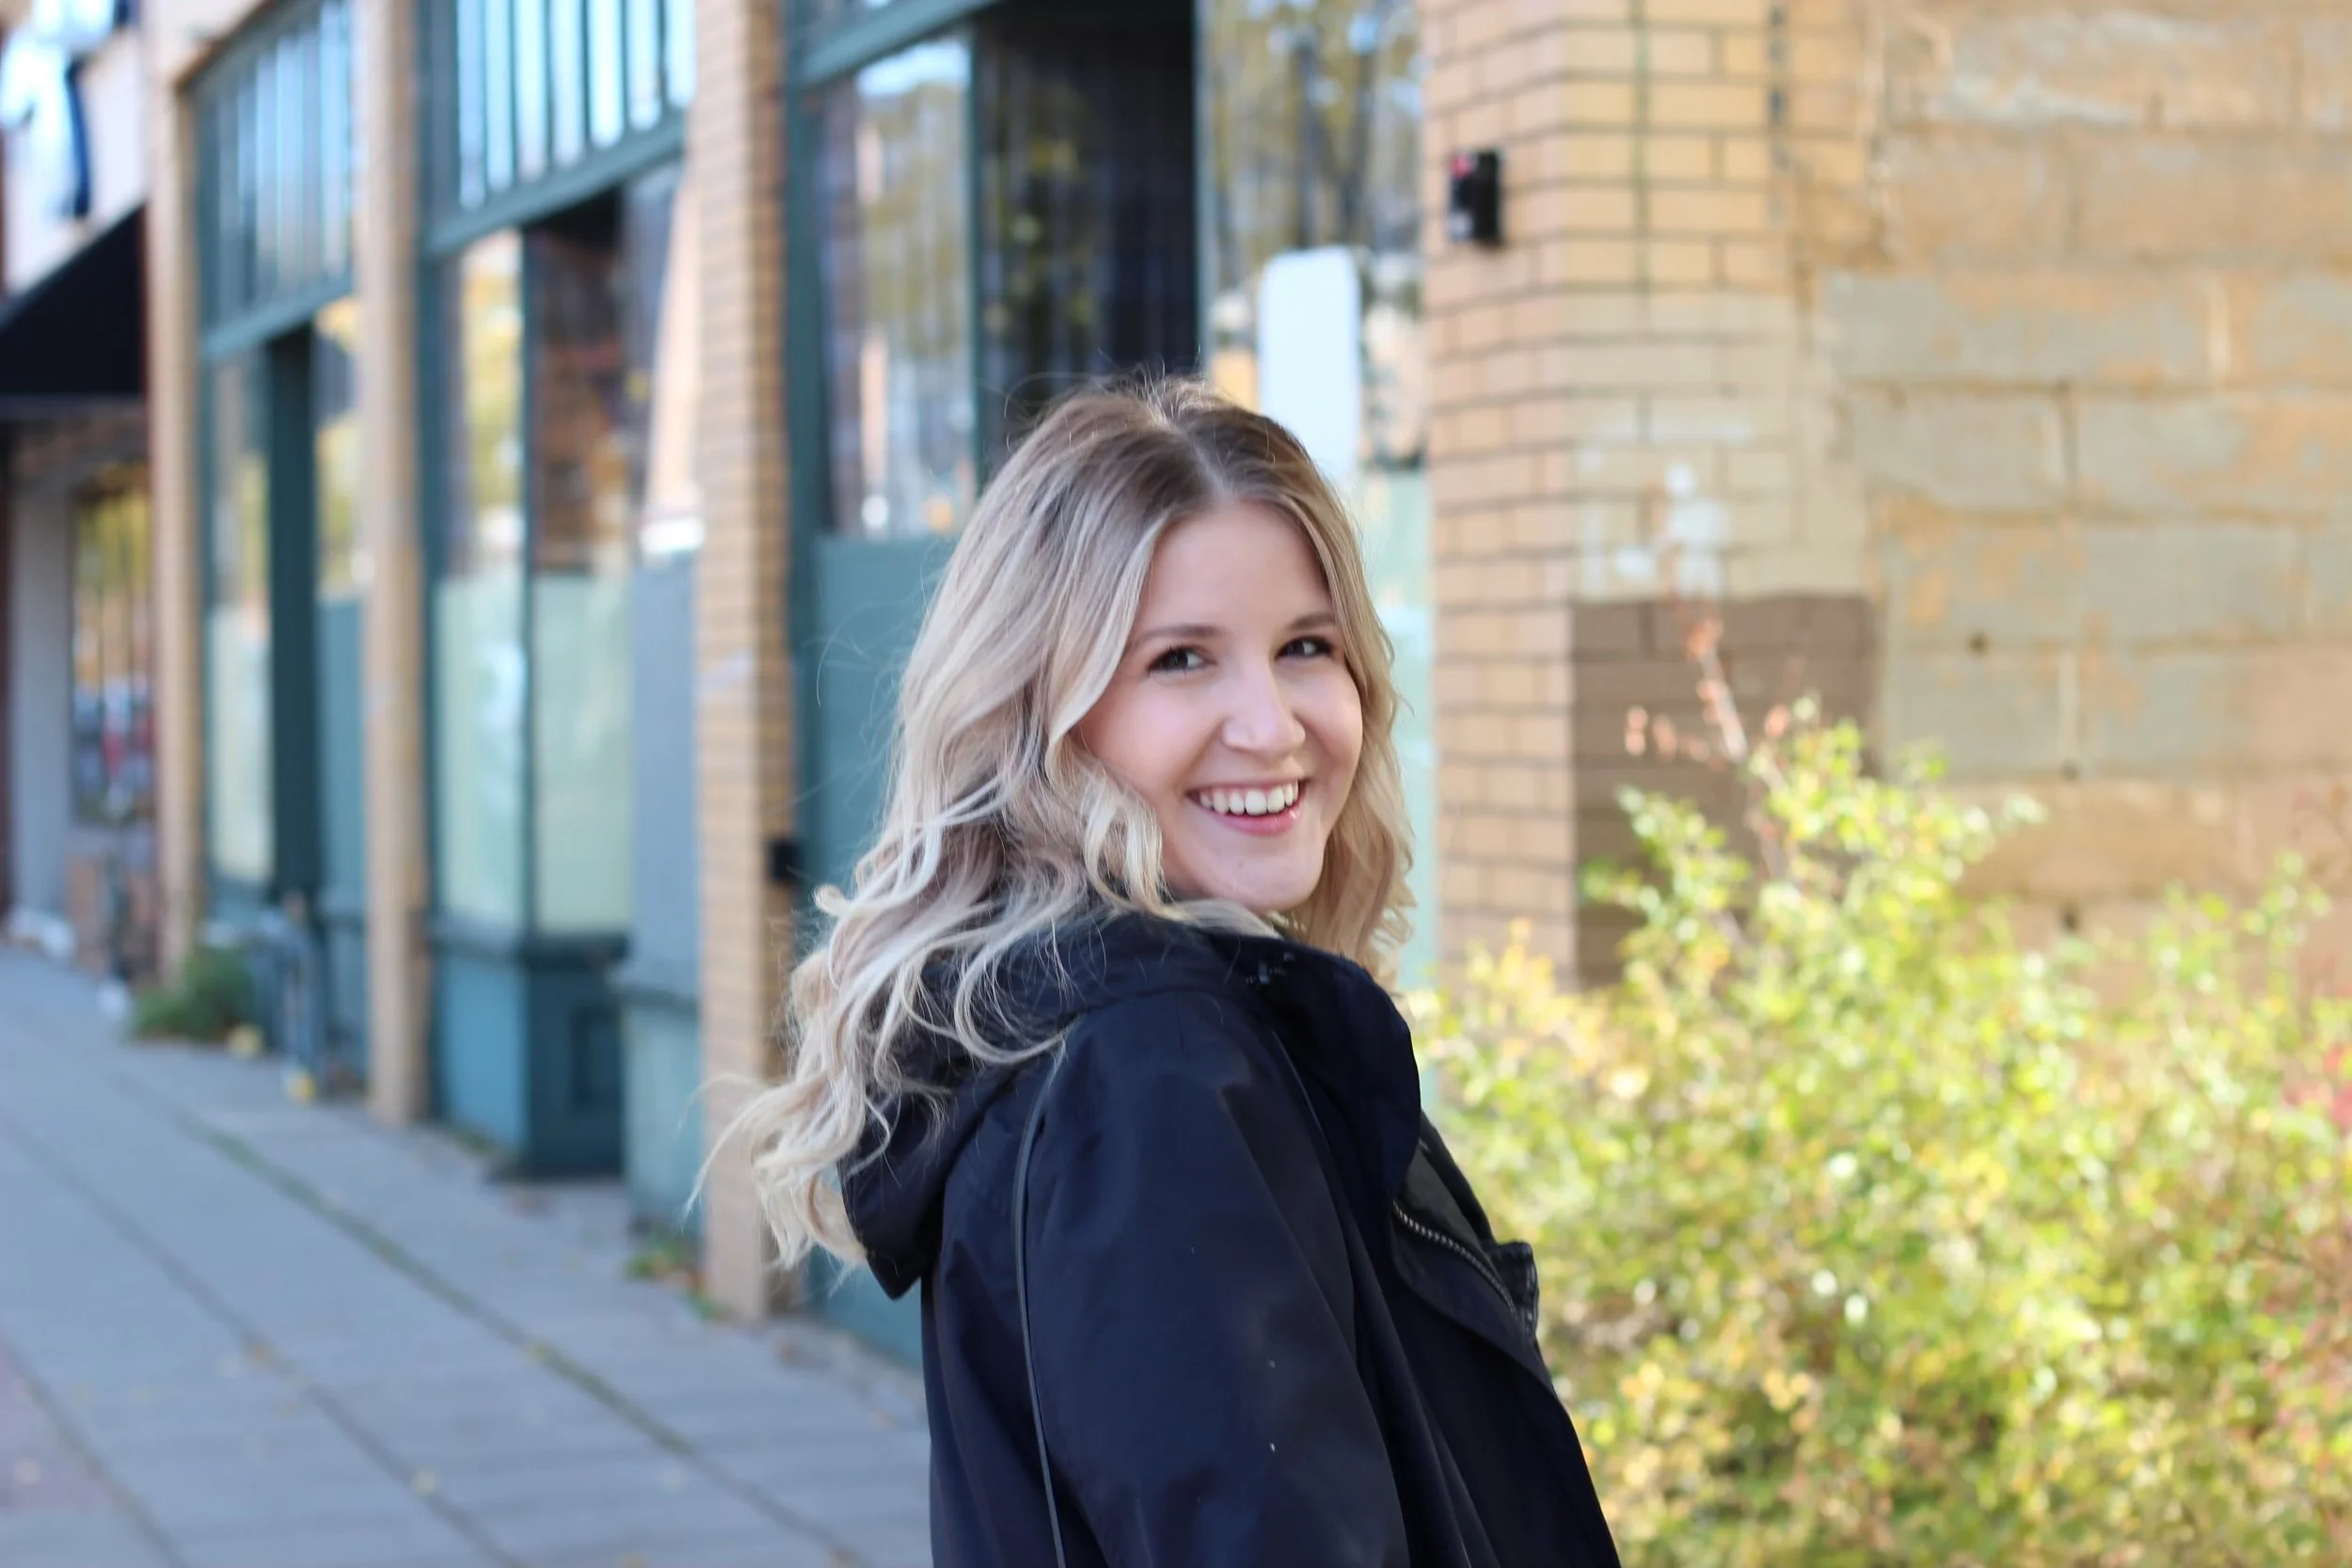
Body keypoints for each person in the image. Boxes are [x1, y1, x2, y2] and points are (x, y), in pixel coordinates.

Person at [727, 378, 1621, 1568]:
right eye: (1181, 659)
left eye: (1306, 646)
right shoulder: (1144, 1069)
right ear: (1038, 708)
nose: (1271, 722)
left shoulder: (1113, 1029)